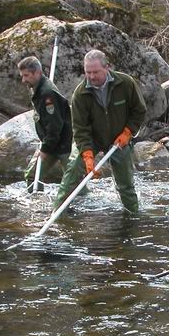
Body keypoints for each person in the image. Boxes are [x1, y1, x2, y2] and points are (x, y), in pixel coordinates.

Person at [53, 49, 146, 214]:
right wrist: (88, 156)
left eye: (95, 72)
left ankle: (133, 215)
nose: (91, 76)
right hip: (92, 139)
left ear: (107, 68)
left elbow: (139, 110)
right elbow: (80, 129)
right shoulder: (80, 94)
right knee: (72, 173)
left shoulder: (125, 83)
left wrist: (128, 132)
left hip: (119, 138)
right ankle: (58, 213)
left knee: (125, 184)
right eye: (88, 72)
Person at [18, 56, 72, 188]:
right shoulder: (38, 88)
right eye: (22, 76)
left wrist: (45, 149)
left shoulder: (46, 94)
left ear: (37, 73)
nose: (23, 80)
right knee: (32, 176)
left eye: (26, 75)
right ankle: (36, 199)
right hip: (51, 142)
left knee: (74, 182)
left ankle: (84, 199)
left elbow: (54, 125)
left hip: (64, 144)